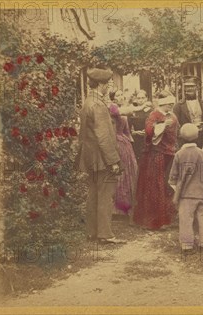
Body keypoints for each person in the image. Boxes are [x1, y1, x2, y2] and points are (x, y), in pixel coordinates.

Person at [75, 67, 123, 244]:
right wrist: (113, 161)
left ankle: (92, 232)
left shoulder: (88, 101)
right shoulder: (98, 105)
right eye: (108, 83)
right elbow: (103, 136)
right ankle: (105, 234)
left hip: (90, 157)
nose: (109, 86)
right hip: (101, 158)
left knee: (93, 193)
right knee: (105, 194)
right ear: (101, 85)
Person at [133, 91, 179, 230]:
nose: (170, 106)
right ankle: (153, 221)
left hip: (170, 153)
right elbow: (148, 131)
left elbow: (176, 131)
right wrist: (163, 125)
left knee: (167, 185)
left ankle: (167, 218)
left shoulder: (172, 115)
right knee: (155, 185)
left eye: (171, 104)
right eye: (168, 104)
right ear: (162, 103)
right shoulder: (154, 114)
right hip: (156, 154)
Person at [169, 123, 203, 251]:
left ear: (181, 138)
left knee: (186, 219)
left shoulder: (179, 154)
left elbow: (173, 176)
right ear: (197, 136)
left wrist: (176, 189)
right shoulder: (202, 153)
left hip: (187, 194)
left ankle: (187, 245)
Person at [108, 90, 139, 216]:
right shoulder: (111, 107)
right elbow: (121, 112)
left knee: (129, 171)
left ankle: (127, 205)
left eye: (122, 95)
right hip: (115, 142)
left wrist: (130, 142)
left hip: (125, 143)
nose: (121, 97)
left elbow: (127, 131)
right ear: (113, 98)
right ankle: (116, 207)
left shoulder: (123, 109)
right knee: (119, 173)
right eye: (118, 95)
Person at [173, 76, 203, 148]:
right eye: (187, 87)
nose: (189, 89)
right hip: (185, 141)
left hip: (201, 140)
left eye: (192, 86)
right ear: (184, 89)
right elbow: (175, 126)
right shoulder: (178, 106)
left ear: (197, 87)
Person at [127, 90, 153, 163]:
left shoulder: (151, 111)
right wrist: (134, 132)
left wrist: (148, 130)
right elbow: (128, 126)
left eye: (143, 98)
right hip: (136, 139)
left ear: (147, 98)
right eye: (139, 98)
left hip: (148, 139)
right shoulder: (133, 111)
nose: (141, 100)